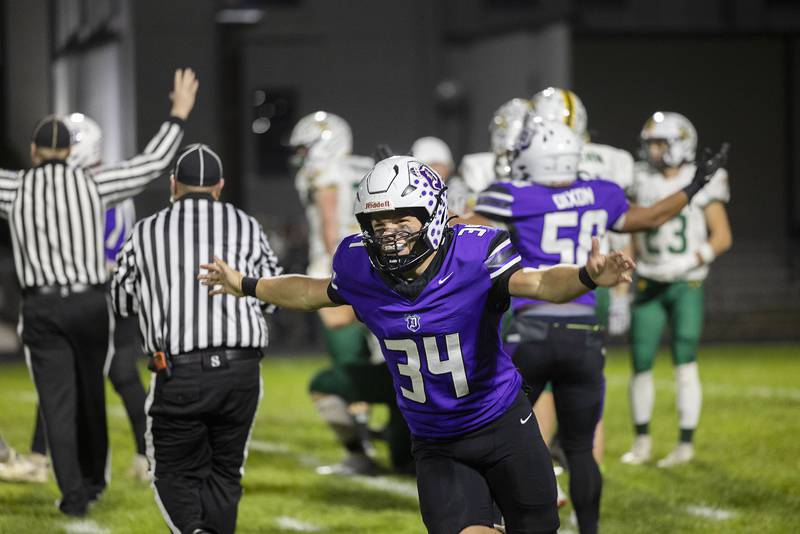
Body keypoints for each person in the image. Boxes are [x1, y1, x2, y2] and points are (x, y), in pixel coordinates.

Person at [200, 155, 637, 534]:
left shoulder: (472, 254)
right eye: (378, 222)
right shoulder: (359, 266)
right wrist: (246, 283)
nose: (389, 233)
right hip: (436, 441)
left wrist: (586, 277)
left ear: (431, 214)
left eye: (401, 219)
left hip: (503, 425)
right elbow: (311, 292)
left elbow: (540, 282)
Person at [469, 118, 727, 533]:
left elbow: (460, 230)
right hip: (585, 333)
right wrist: (694, 186)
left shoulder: (511, 195)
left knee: (500, 439)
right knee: (581, 448)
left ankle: (496, 521)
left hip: (531, 328)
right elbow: (649, 217)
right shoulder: (602, 192)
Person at [0, 68, 196, 516]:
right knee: (90, 393)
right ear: (70, 151)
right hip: (91, 303)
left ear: (33, 152)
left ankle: (72, 495)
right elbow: (151, 164)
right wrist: (178, 115)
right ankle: (92, 482)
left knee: (55, 402)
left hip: (41, 305)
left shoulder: (14, 187)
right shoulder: (93, 183)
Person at [112, 144, 282, 534]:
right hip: (242, 370)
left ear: (174, 184)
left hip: (181, 372)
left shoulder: (147, 229)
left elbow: (121, 299)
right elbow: (271, 296)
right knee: (225, 471)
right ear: (219, 186)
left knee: (171, 471)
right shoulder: (247, 225)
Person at [28, 113, 150, 481]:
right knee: (69, 369)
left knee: (118, 373)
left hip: (105, 292)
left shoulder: (96, 187)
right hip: (100, 293)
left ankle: (148, 453)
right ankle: (39, 455)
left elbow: (100, 253)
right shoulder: (92, 183)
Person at [290, 111, 413, 475]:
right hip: (381, 273)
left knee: (345, 370)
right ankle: (397, 443)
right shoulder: (365, 168)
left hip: (341, 276)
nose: (300, 157)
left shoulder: (324, 173)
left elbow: (330, 226)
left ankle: (361, 451)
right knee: (393, 362)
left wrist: (342, 272)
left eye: (303, 148)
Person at [620, 111, 732, 468]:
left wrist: (689, 261)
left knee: (685, 360)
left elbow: (722, 235)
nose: (653, 149)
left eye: (660, 142)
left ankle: (685, 443)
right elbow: (633, 233)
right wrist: (623, 288)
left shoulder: (701, 180)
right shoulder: (640, 179)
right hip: (650, 279)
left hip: (687, 281)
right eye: (651, 142)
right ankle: (642, 442)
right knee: (640, 363)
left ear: (681, 144)